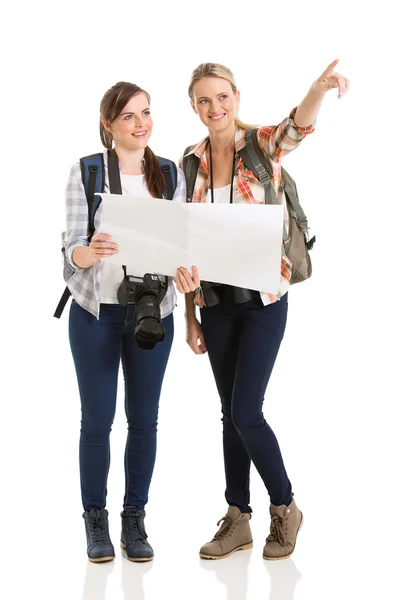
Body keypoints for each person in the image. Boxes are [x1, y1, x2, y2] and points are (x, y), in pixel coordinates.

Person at [181, 60, 349, 560]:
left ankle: (285, 507)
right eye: (204, 100)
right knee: (228, 414)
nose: (215, 108)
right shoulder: (189, 161)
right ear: (193, 106)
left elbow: (298, 125)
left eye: (222, 97)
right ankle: (238, 517)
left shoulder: (261, 146)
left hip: (263, 301)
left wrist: (316, 90)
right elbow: (185, 237)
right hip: (214, 302)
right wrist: (191, 316)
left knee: (245, 411)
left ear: (237, 97)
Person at [64, 81, 198, 563]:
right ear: (109, 125)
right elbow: (70, 251)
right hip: (96, 314)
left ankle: (133, 518)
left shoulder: (169, 173)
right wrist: (88, 249)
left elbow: (182, 241)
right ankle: (94, 519)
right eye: (129, 117)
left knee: (144, 422)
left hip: (152, 309)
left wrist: (185, 276)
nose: (141, 124)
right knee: (97, 422)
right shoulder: (86, 171)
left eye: (146, 113)